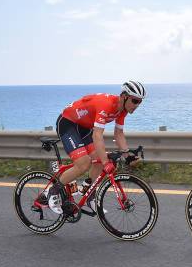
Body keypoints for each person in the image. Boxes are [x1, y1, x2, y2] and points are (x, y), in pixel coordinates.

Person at [47, 81, 146, 214]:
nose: (137, 105)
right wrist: (106, 162)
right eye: (135, 100)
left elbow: (118, 134)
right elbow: (97, 135)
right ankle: (53, 191)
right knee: (84, 163)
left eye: (140, 102)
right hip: (68, 123)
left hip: (84, 127)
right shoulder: (106, 104)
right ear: (124, 96)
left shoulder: (123, 110)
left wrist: (127, 156)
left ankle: (89, 195)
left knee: (99, 160)